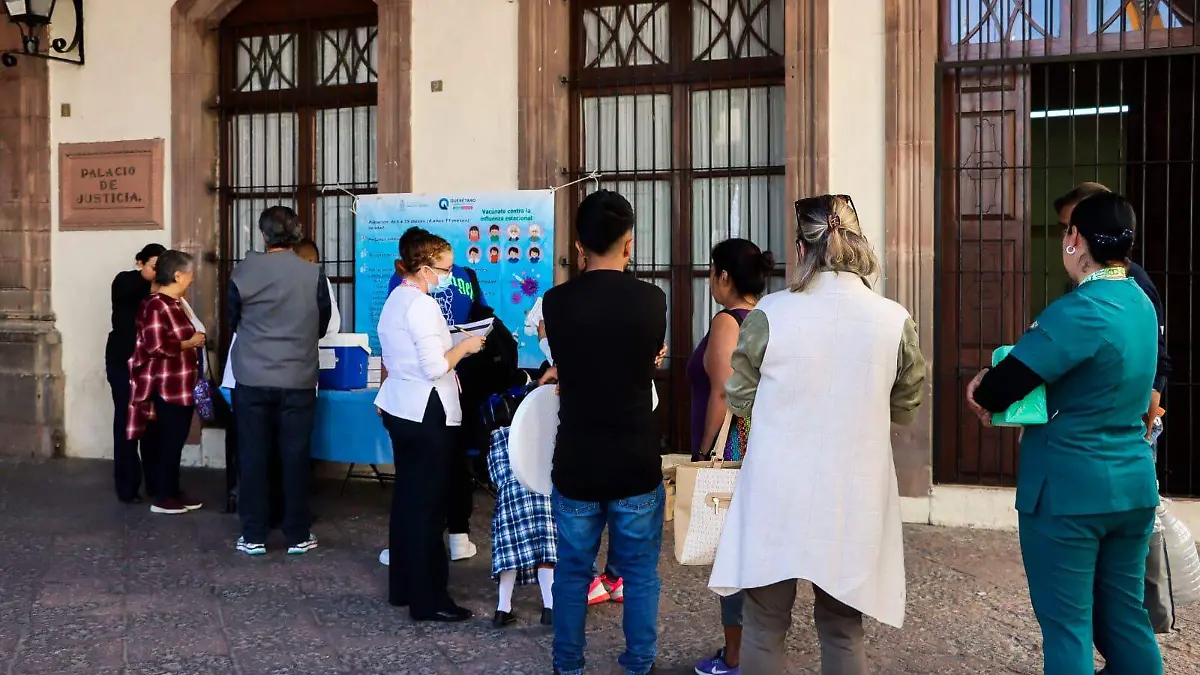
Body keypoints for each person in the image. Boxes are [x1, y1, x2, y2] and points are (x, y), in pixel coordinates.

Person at [708, 194, 926, 674]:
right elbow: (906, 405)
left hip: (776, 489)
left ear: (800, 246)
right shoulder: (894, 319)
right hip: (854, 491)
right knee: (843, 628)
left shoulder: (770, 313)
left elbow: (739, 397)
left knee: (764, 625)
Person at [967, 192, 1163, 675]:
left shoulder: (1080, 310)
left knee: (1068, 627)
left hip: (1069, 490)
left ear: (1075, 238)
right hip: (1132, 484)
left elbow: (1000, 388)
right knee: (1126, 619)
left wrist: (983, 384)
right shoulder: (1141, 301)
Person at [541, 189, 668, 675]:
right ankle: (639, 664)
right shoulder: (652, 300)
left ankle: (568, 665)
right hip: (635, 457)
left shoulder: (556, 302)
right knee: (640, 575)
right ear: (629, 243)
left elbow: (571, 363)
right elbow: (644, 360)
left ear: (579, 245)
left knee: (572, 575)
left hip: (577, 458)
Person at [375, 228, 485, 622]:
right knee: (428, 507)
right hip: (427, 411)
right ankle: (430, 599)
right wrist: (466, 346)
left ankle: (404, 587)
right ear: (424, 269)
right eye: (445, 269)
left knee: (408, 500)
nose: (449, 276)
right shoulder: (421, 305)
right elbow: (436, 366)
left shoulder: (396, 299)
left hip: (402, 407)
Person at [689, 238, 774, 675]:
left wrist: (703, 453)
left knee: (731, 554)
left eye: (711, 271)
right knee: (753, 553)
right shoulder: (768, 317)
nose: (710, 280)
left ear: (724, 276)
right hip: (761, 448)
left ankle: (737, 655)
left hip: (732, 452)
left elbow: (724, 395)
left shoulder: (727, 321)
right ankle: (756, 648)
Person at [228, 206, 331, 556]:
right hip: (298, 378)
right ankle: (297, 534)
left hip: (252, 377)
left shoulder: (242, 272)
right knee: (295, 457)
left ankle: (253, 534)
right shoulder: (313, 274)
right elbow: (321, 325)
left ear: (263, 234)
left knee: (253, 457)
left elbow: (232, 320)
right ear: (297, 234)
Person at [1054, 183, 1171, 443]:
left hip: (1123, 425)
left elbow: (1156, 352)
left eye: (1074, 226)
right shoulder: (1082, 283)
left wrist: (1148, 409)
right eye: (1065, 228)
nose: (1069, 237)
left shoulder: (1132, 283)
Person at [126, 250, 205, 515]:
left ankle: (173, 490)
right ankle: (162, 495)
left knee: (176, 438)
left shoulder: (177, 303)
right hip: (166, 384)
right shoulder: (155, 305)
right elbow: (155, 345)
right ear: (178, 275)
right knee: (168, 441)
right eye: (190, 274)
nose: (192, 279)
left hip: (182, 383)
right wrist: (190, 343)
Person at [106, 243, 166, 504]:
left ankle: (154, 483)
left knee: (153, 425)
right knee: (127, 424)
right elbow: (134, 290)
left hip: (151, 366)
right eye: (154, 266)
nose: (158, 272)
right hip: (123, 362)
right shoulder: (125, 281)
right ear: (140, 263)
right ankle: (127, 487)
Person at [488, 426, 557, 629]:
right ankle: (550, 608)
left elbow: (495, 475)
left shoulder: (496, 438)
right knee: (545, 550)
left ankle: (502, 609)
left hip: (510, 495)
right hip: (540, 488)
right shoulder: (540, 425)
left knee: (509, 554)